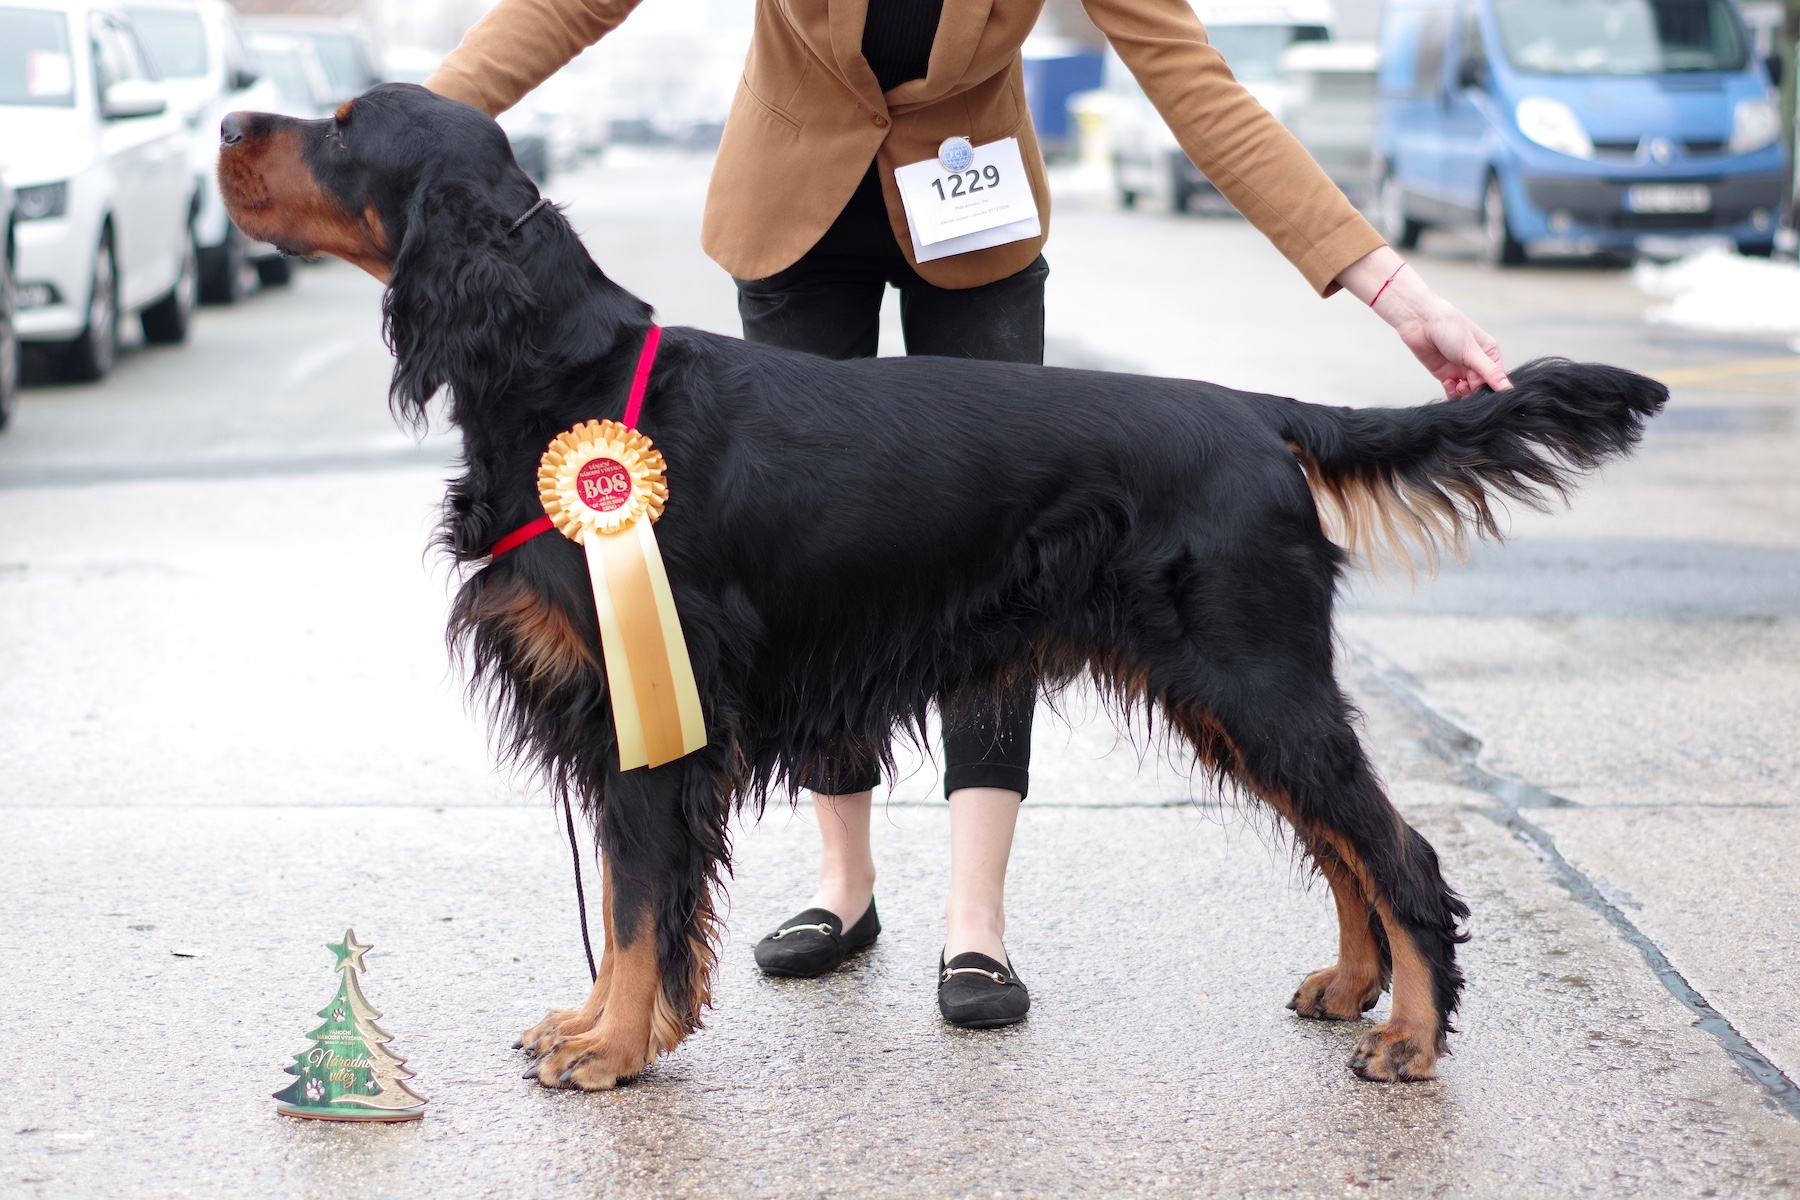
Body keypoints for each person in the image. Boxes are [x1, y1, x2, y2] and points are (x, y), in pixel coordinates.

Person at [423, 0, 1512, 1030]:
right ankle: (842, 886)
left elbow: (1191, 75)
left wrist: (1393, 290)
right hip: (798, 217)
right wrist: (406, 134)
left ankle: (973, 924)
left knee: (1000, 570)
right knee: (806, 583)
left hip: (971, 215)